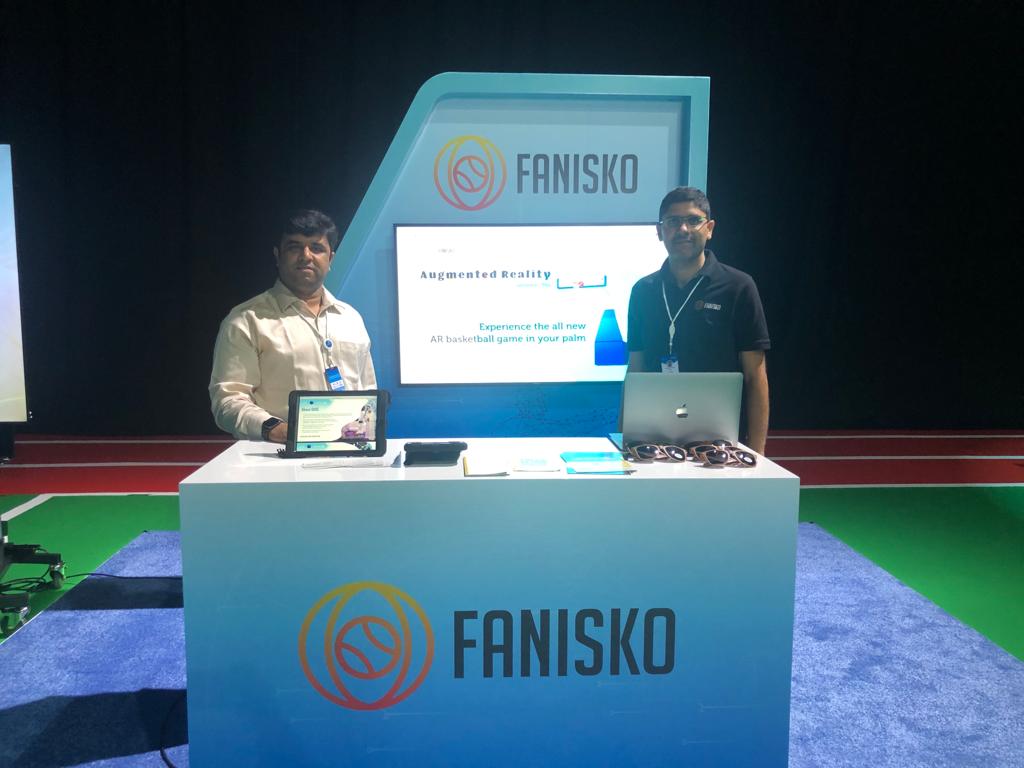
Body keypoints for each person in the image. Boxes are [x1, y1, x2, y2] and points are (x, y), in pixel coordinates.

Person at [209, 209, 376, 443]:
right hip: (276, 454)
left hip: (352, 450)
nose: (306, 256)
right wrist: (275, 429)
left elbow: (369, 393)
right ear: (278, 256)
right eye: (294, 247)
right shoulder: (246, 320)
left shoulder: (351, 318)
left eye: (316, 248)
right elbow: (228, 401)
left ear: (331, 259)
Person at [626, 187, 770, 455]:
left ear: (710, 228)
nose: (683, 229)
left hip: (720, 446)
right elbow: (635, 370)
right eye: (673, 221)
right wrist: (626, 439)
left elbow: (755, 376)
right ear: (659, 231)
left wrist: (757, 453)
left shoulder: (738, 287)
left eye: (693, 220)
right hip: (653, 444)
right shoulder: (643, 291)